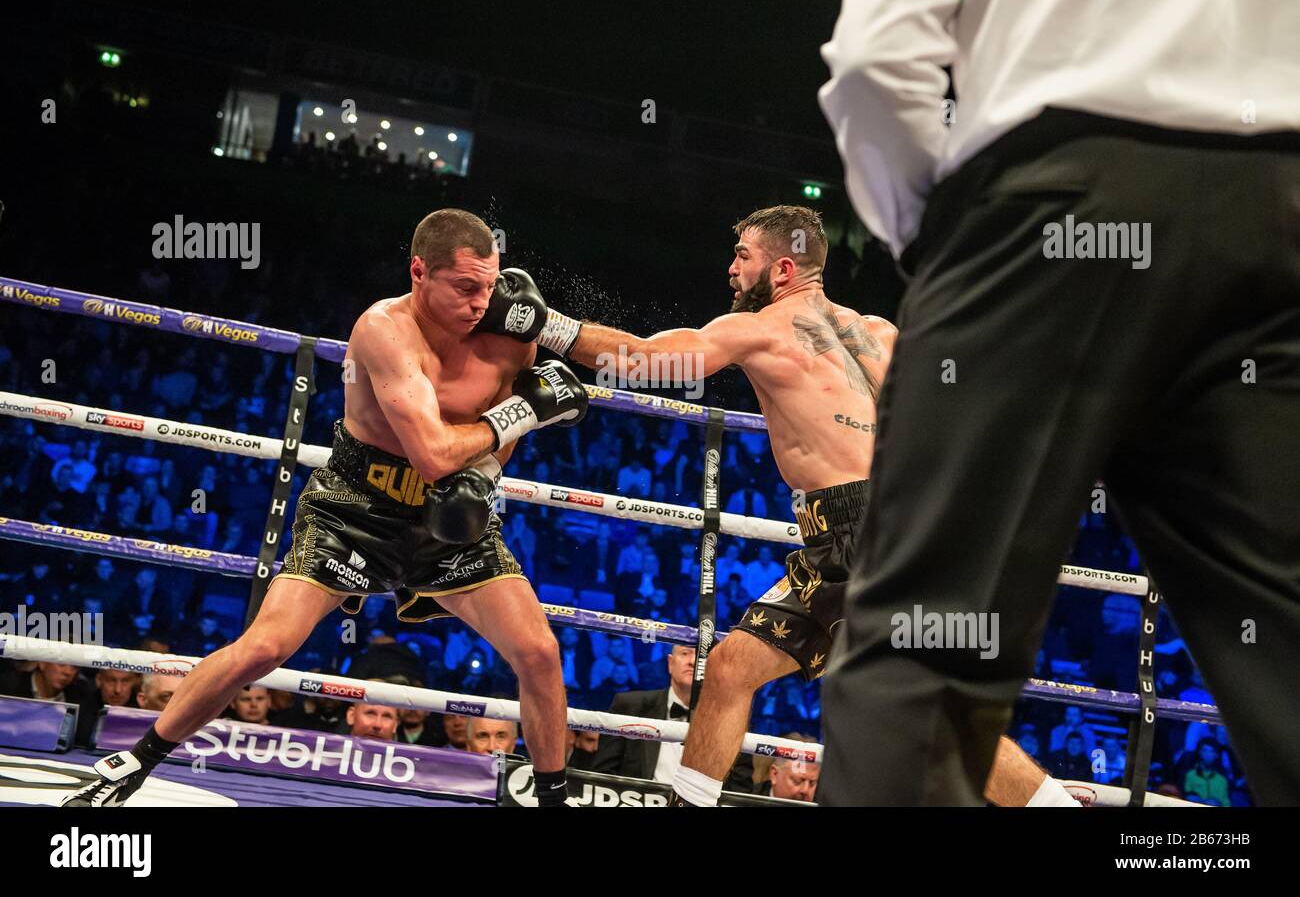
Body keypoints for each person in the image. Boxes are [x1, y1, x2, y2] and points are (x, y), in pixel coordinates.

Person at [816, 0, 1300, 807]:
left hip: (1052, 196)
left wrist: (934, 243)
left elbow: (873, 60)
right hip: (1279, 218)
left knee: (921, 663)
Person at [479, 205, 1069, 807]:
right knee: (734, 668)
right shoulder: (882, 333)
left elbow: (643, 360)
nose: (730, 269)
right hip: (903, 524)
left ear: (782, 267)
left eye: (743, 257)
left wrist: (541, 323)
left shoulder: (761, 329)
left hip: (861, 531)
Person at [65, 208, 589, 808]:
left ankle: (552, 801)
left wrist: (491, 470)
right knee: (266, 646)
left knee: (541, 652)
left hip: (447, 518)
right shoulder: (383, 330)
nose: (480, 303)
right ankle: (131, 764)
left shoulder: (507, 327)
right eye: (465, 287)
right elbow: (440, 451)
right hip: (354, 510)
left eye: (489, 286)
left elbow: (514, 405)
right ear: (419, 272)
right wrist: (523, 414)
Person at [591, 644, 751, 791]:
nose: (693, 661)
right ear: (670, 663)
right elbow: (602, 778)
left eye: (702, 655)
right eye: (685, 653)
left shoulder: (731, 720)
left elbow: (740, 792)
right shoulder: (630, 706)